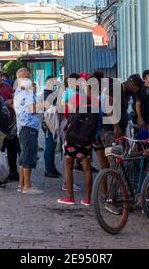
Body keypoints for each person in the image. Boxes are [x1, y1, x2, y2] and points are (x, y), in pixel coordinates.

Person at [58, 75, 99, 206]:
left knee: (69, 166)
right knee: (87, 168)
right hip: (86, 138)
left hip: (72, 137)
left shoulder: (74, 98)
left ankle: (70, 197)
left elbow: (67, 115)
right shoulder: (96, 102)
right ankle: (87, 199)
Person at [14, 68, 44, 195]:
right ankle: (27, 185)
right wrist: (45, 107)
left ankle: (22, 184)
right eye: (24, 78)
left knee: (23, 157)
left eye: (28, 77)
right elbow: (32, 109)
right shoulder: (26, 93)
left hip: (24, 128)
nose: (27, 80)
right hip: (28, 127)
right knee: (28, 157)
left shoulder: (19, 91)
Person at [0, 65, 20, 182]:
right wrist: (6, 103)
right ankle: (0, 175)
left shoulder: (7, 86)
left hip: (11, 124)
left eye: (0, 73)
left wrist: (11, 102)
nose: (0, 76)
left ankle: (13, 171)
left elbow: (13, 98)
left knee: (13, 150)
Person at [43, 76, 62, 178]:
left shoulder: (49, 93)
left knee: (52, 145)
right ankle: (48, 169)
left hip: (51, 123)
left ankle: (52, 167)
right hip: (48, 123)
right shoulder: (47, 94)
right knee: (50, 146)